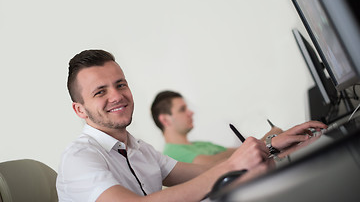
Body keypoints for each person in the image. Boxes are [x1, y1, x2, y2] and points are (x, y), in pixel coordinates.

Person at [56, 49, 327, 202]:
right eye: (100, 92)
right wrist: (235, 165)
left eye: (120, 84)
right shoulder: (79, 157)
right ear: (79, 109)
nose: (116, 96)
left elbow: (205, 173)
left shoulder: (139, 149)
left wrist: (271, 146)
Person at [151, 90, 322, 166]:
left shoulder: (197, 145)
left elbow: (241, 152)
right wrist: (269, 138)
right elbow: (215, 164)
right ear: (165, 120)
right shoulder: (172, 154)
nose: (190, 113)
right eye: (182, 110)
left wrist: (271, 139)